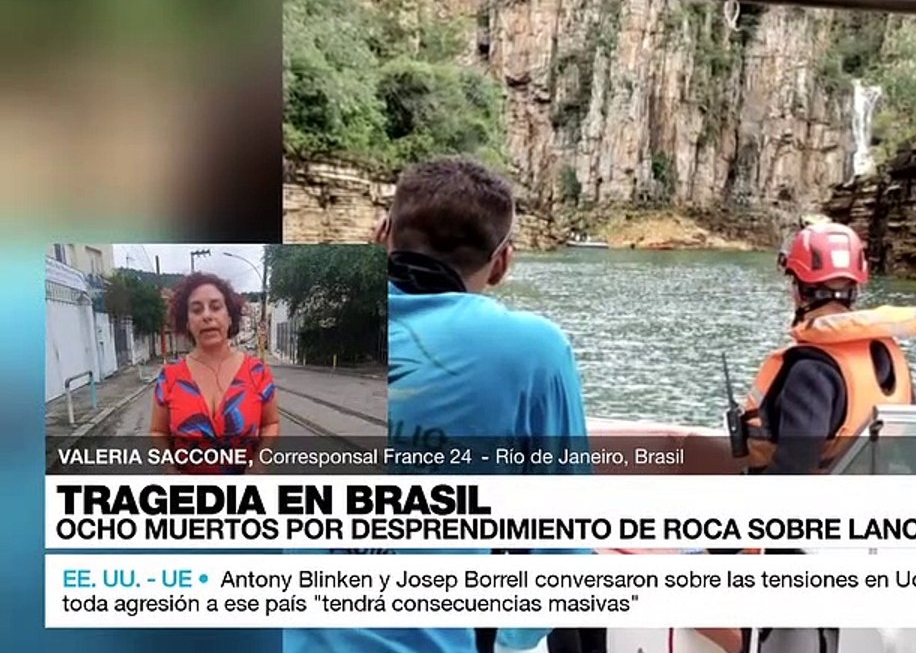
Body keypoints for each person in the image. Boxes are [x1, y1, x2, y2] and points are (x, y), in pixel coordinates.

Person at [286, 157, 592, 653]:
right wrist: (508, 638)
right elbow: (563, 554)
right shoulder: (533, 349)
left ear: (383, 232)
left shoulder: (317, 332)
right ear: (502, 263)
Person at [740, 220, 916, 475]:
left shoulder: (811, 372)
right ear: (855, 289)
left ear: (799, 291)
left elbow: (794, 470)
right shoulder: (891, 356)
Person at [149, 271, 280, 474]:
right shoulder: (170, 377)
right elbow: (158, 431)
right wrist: (169, 469)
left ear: (230, 317)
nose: (207, 316)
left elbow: (271, 423)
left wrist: (259, 463)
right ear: (187, 323)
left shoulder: (257, 372)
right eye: (196, 310)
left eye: (216, 307)